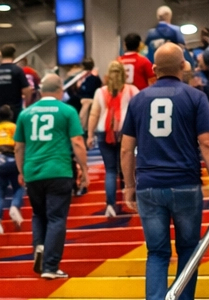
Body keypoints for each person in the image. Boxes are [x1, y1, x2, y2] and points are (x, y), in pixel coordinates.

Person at [121, 43, 209, 300]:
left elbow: (126, 149)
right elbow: (208, 143)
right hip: (185, 184)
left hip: (149, 186)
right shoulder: (195, 97)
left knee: (157, 253)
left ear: (153, 70)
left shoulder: (138, 100)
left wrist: (129, 186)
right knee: (188, 251)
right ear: (184, 66)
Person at [16, 74, 88, 281]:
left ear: (40, 91)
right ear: (60, 91)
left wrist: (22, 172)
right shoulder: (67, 111)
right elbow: (77, 141)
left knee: (38, 215)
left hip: (33, 171)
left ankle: (39, 247)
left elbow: (19, 147)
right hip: (58, 170)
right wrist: (85, 170)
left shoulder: (25, 113)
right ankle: (50, 266)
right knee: (56, 217)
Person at [86, 61, 139, 218]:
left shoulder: (100, 92)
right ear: (123, 74)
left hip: (104, 132)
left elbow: (94, 114)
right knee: (127, 166)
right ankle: (131, 200)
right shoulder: (132, 90)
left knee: (110, 170)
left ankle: (110, 205)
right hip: (126, 132)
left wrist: (90, 135)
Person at [0, 105, 25, 232]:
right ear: (11, 116)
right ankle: (14, 207)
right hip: (13, 159)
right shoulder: (15, 127)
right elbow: (20, 145)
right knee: (18, 187)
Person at [0, 44, 33, 119]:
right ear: (13, 56)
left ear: (1, 56)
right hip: (14, 112)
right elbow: (27, 90)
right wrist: (27, 105)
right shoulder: (18, 71)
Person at [64, 57, 103, 122]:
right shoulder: (82, 75)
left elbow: (88, 90)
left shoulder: (93, 77)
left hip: (87, 97)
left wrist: (79, 88)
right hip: (80, 96)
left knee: (72, 101)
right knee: (69, 100)